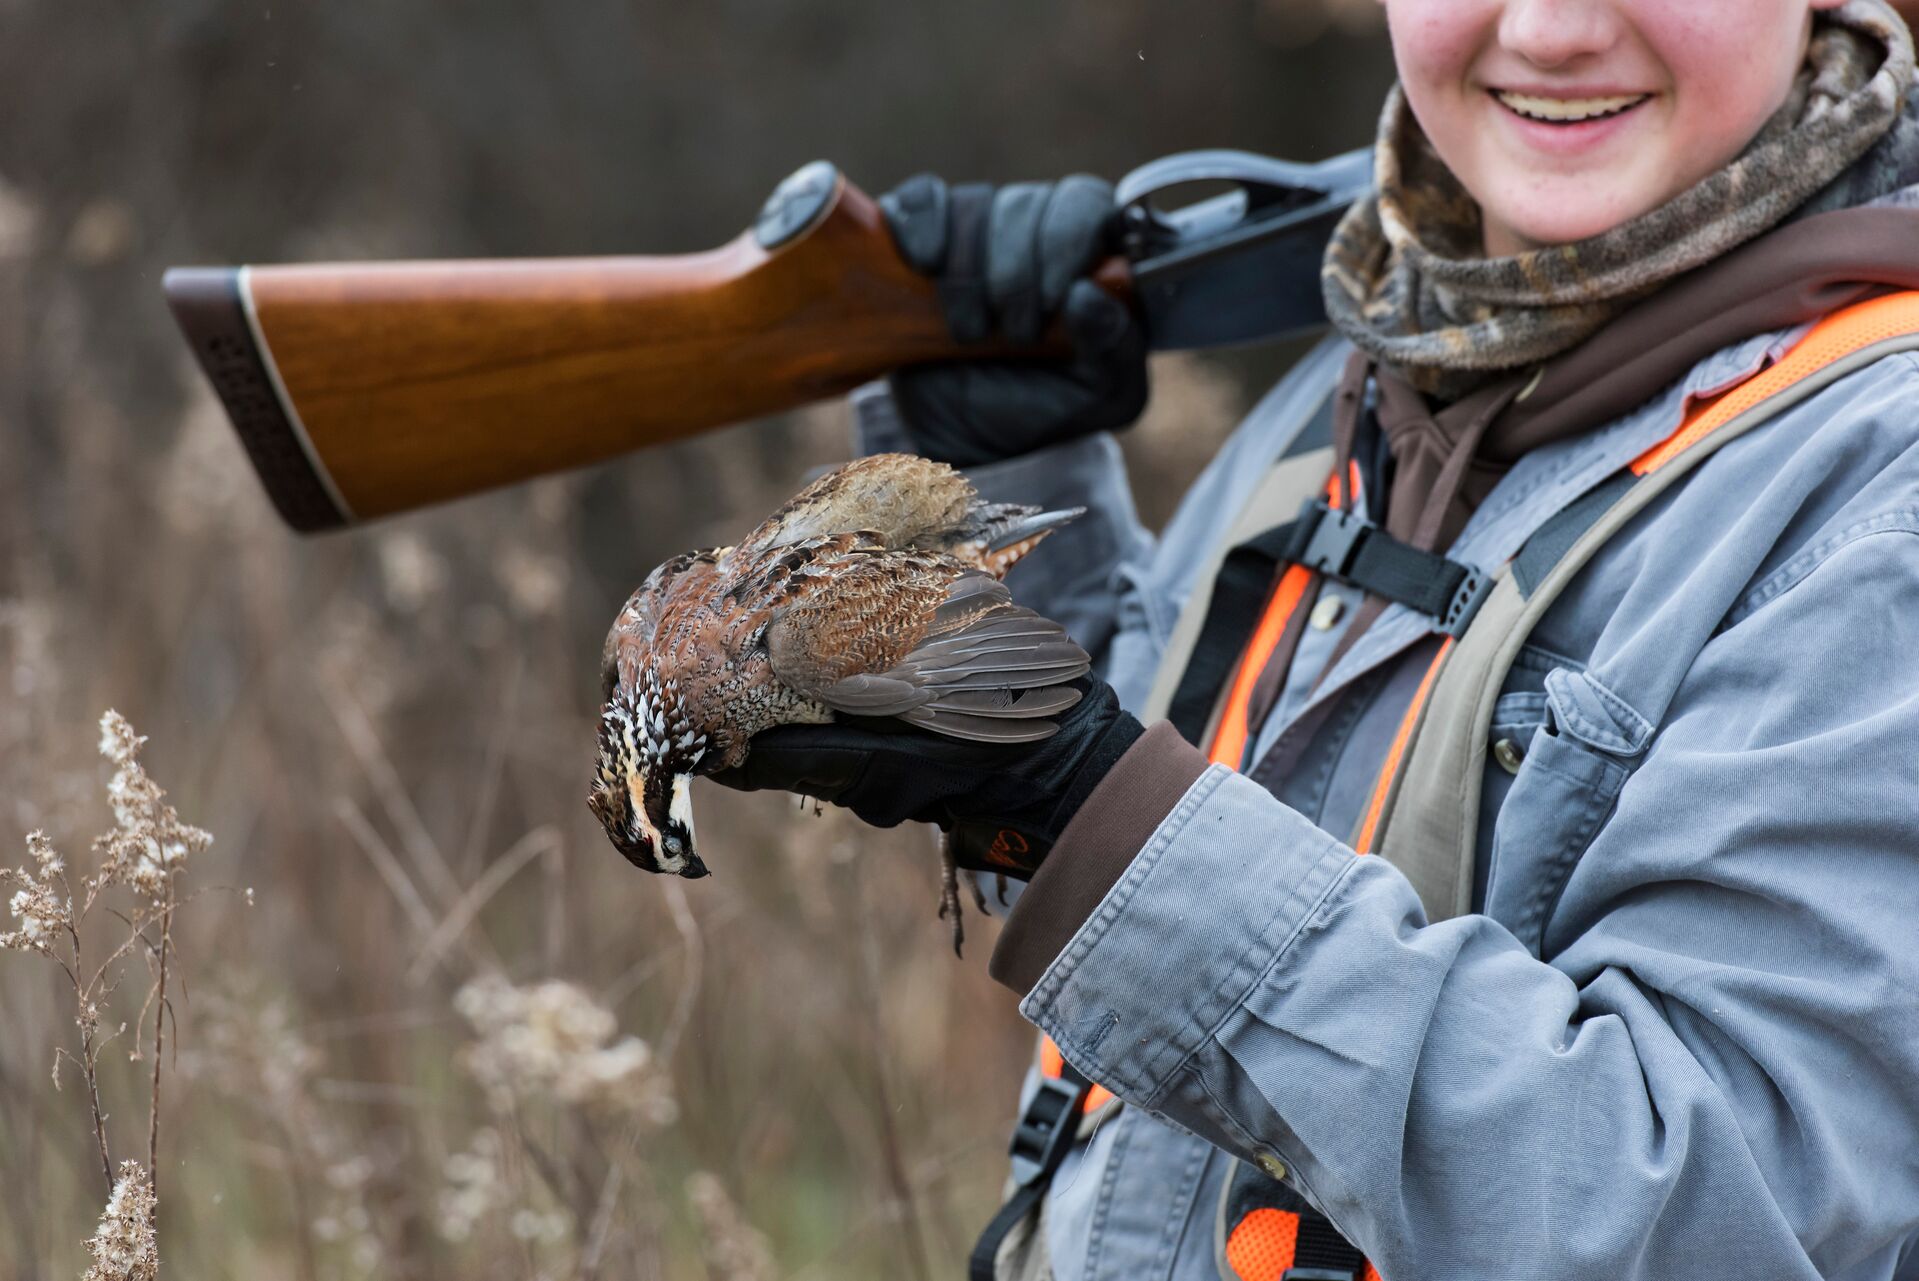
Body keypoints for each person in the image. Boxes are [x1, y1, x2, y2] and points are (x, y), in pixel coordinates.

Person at [713, 1, 1919, 1276]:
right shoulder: (1380, 353)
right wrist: (994, 479)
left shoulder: (1877, 494)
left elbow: (1716, 1221)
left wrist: (1094, 813)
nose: (1553, 31)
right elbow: (1167, 875)